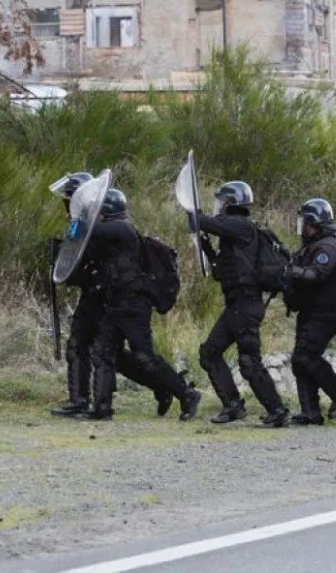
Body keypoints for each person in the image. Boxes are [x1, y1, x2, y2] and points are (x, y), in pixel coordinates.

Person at [48, 172, 184, 418]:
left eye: (72, 198)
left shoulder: (113, 228)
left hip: (115, 299)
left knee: (120, 355)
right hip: (100, 295)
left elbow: (95, 253)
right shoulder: (95, 225)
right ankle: (84, 402)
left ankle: (169, 388)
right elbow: (85, 264)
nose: (68, 204)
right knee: (88, 348)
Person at [80, 188, 201, 421]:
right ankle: (102, 408)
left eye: (98, 211)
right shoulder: (111, 234)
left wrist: (81, 218)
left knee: (144, 356)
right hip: (116, 304)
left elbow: (90, 230)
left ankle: (186, 394)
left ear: (106, 211)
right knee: (103, 352)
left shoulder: (122, 228)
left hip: (134, 306)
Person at [194, 181, 289, 427]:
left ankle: (277, 411)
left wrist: (194, 214)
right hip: (236, 306)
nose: (219, 206)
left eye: (222, 201)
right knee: (209, 353)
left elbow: (207, 222)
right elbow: (221, 272)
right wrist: (206, 247)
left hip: (246, 305)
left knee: (249, 362)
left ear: (231, 203)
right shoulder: (234, 236)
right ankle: (233, 406)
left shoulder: (241, 226)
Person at [282, 199, 336, 425]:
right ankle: (310, 412)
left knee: (306, 356)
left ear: (314, 223)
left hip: (327, 313)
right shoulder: (312, 246)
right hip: (311, 311)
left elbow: (317, 274)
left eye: (304, 223)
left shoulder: (328, 247)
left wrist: (291, 271)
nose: (302, 228)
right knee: (299, 360)